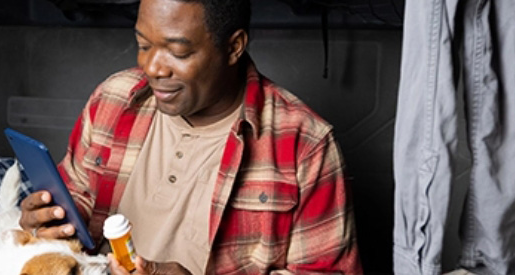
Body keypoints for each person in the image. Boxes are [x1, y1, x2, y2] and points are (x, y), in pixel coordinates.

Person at [19, 0, 362, 273]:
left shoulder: (305, 145)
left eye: (178, 52)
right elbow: (75, 199)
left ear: (234, 47)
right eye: (143, 45)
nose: (153, 67)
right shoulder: (113, 98)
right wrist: (49, 223)